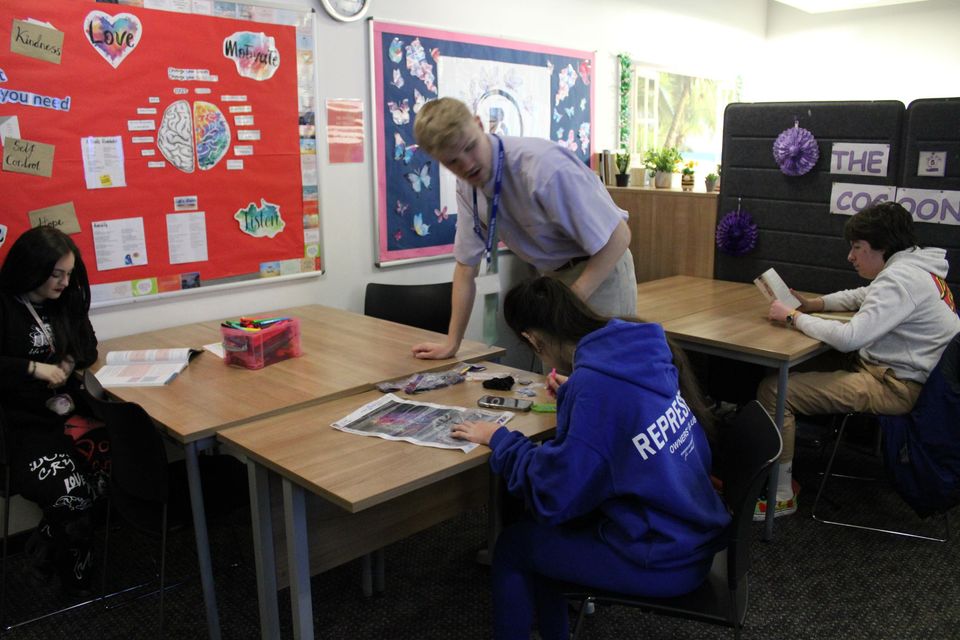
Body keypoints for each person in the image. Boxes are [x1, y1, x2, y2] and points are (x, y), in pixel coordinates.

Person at [450, 277, 729, 640]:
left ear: (533, 339)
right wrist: (573, 396)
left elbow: (556, 494)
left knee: (514, 547)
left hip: (662, 558)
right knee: (544, 538)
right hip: (689, 531)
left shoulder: (596, 388)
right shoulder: (637, 349)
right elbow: (624, 424)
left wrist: (500, 439)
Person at [759, 202, 960, 519]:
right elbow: (862, 296)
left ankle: (780, 493)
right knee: (788, 370)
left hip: (896, 386)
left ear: (883, 248)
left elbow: (850, 337)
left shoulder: (901, 280)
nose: (850, 256)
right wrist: (812, 304)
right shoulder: (915, 270)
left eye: (857, 247)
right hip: (898, 374)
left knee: (775, 390)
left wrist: (793, 317)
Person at [411, 97, 637, 360]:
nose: (467, 164)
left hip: (601, 267)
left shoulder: (543, 167)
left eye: (470, 147)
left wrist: (571, 300)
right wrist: (452, 343)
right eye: (452, 162)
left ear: (479, 124)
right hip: (552, 280)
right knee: (555, 379)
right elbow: (465, 267)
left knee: (603, 375)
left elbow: (619, 236)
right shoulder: (467, 187)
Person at [0, 226, 109, 597]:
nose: (64, 282)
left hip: (70, 414)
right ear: (31, 268)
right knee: (71, 495)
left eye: (69, 273)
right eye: (56, 274)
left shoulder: (66, 302)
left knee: (118, 472)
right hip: (23, 424)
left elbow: (88, 345)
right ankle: (69, 569)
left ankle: (48, 544)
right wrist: (33, 368)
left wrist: (66, 360)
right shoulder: (5, 305)